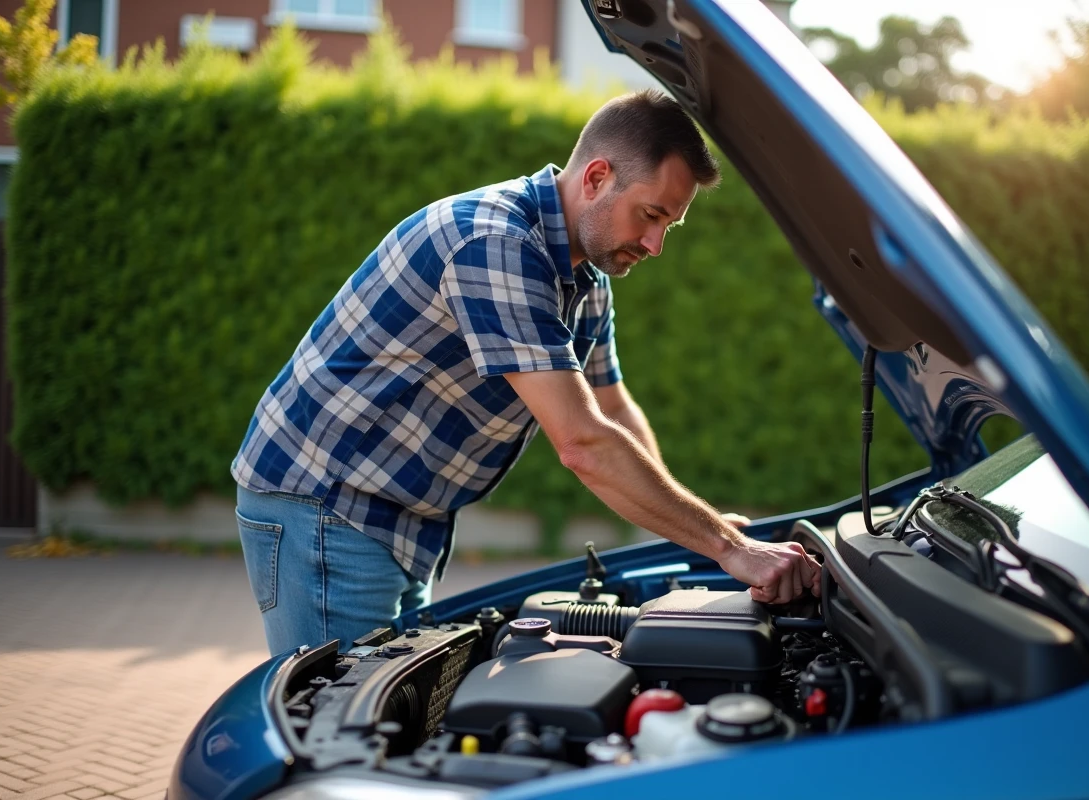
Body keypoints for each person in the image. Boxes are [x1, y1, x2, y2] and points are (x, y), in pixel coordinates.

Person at [231, 89, 822, 656]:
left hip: (400, 517)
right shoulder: (496, 244)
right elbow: (583, 442)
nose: (656, 243)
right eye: (651, 214)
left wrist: (696, 526)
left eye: (670, 224)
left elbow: (612, 409)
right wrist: (729, 547)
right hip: (324, 506)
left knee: (394, 709)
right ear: (595, 178)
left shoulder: (586, 279)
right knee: (344, 724)